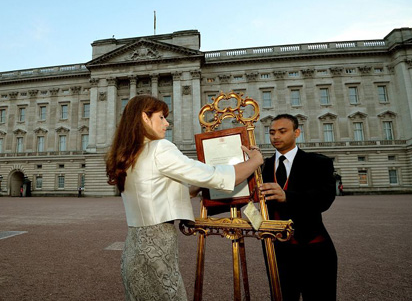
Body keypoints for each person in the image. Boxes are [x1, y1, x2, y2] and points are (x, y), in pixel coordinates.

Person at [106, 95, 263, 301]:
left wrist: (195, 188)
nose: (166, 123)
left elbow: (155, 191)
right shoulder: (160, 147)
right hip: (157, 247)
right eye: (161, 117)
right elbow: (217, 176)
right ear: (145, 117)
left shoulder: (129, 153)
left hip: (134, 247)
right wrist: (255, 161)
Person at [260, 114, 337, 301]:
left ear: (297, 133)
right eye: (272, 132)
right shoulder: (262, 166)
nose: (275, 136)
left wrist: (287, 196)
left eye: (282, 131)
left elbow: (325, 198)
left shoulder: (319, 162)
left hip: (313, 247)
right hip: (277, 250)